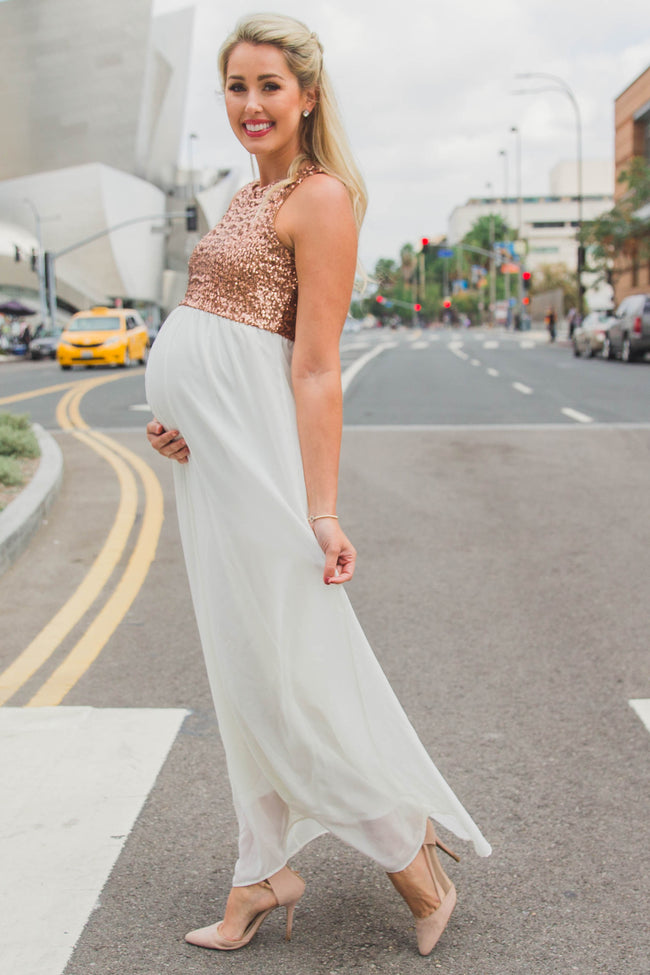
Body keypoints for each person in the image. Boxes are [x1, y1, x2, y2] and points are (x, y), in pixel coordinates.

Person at [145, 13, 490, 958]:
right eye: (235, 86)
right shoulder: (243, 193)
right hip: (216, 467)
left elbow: (314, 368)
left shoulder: (321, 198)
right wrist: (188, 422)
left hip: (265, 478)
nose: (249, 105)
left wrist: (323, 508)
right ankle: (262, 871)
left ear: (307, 97)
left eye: (268, 87)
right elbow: (226, 345)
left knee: (292, 674)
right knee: (246, 670)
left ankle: (410, 854)